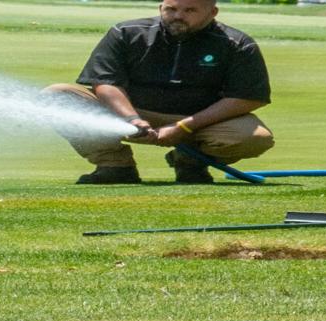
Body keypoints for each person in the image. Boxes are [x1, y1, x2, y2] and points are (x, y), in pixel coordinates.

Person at [44, 0, 274, 184]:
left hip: (199, 122)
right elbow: (104, 83)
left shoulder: (237, 43)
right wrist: (132, 118)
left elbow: (247, 97)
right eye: (171, 9)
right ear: (160, 8)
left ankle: (189, 161)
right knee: (56, 96)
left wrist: (184, 127)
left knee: (256, 139)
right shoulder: (126, 32)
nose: (178, 15)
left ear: (212, 12)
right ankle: (115, 166)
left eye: (190, 10)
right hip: (129, 114)